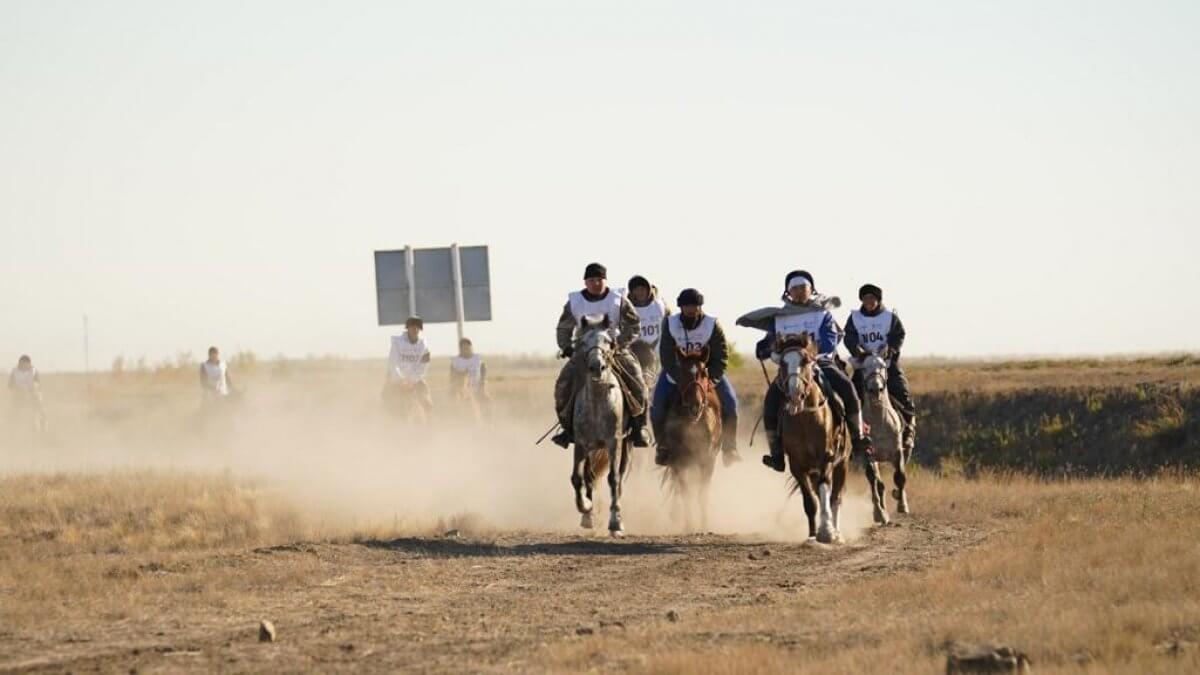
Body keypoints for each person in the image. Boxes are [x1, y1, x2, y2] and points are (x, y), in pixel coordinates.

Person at [753, 270, 873, 472]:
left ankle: (857, 438)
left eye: (803, 288)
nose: (799, 292)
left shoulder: (822, 313)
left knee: (848, 389)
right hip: (790, 368)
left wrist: (811, 356)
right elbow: (771, 341)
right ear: (788, 292)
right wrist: (764, 347)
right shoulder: (780, 317)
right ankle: (777, 454)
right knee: (770, 402)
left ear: (811, 290)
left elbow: (829, 340)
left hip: (820, 364)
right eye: (795, 289)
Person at [551, 262, 651, 449]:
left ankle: (640, 427)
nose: (596, 283)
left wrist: (620, 342)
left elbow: (634, 324)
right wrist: (567, 347)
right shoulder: (574, 302)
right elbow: (564, 327)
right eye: (592, 280)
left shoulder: (617, 299)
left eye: (599, 280)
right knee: (562, 385)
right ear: (585, 282)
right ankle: (567, 429)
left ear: (605, 281)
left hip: (614, 351)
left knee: (637, 379)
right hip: (583, 353)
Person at [651, 288, 742, 466]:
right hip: (676, 375)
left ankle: (730, 447)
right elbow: (667, 356)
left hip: (705, 374)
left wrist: (711, 379)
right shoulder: (670, 323)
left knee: (730, 402)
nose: (691, 309)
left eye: (695, 306)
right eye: (687, 306)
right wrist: (682, 379)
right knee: (657, 405)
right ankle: (662, 446)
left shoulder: (712, 325)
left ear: (700, 307)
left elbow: (722, 355)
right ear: (681, 307)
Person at [845, 283, 917, 449]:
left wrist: (890, 350)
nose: (869, 301)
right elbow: (849, 337)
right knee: (851, 395)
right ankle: (853, 436)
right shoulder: (854, 318)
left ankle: (909, 430)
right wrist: (857, 349)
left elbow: (899, 334)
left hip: (887, 364)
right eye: (865, 298)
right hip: (863, 364)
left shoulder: (889, 317)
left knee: (901, 391)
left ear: (878, 300)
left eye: (872, 298)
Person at [623, 275, 670, 378]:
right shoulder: (627, 308)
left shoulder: (660, 305)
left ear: (648, 289)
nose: (640, 292)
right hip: (635, 351)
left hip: (658, 350)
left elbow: (669, 324)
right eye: (636, 290)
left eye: (642, 289)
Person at [386, 316, 434, 413]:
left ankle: (430, 426)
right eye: (412, 327)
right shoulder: (397, 343)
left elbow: (424, 365)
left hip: (416, 381)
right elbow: (393, 363)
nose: (415, 329)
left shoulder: (424, 345)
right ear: (407, 328)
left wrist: (413, 380)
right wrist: (401, 380)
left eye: (417, 327)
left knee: (428, 404)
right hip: (398, 381)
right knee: (386, 400)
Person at [8, 354, 47, 430]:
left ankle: (43, 424)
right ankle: (11, 425)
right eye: (22, 363)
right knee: (13, 409)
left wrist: (34, 387)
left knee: (40, 407)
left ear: (29, 364)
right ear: (19, 363)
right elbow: (10, 384)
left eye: (26, 364)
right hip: (19, 393)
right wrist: (16, 388)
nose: (24, 366)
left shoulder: (34, 371)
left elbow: (38, 382)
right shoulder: (14, 371)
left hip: (32, 392)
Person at [450, 337, 489, 405]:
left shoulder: (477, 358)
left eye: (468, 348)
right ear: (461, 349)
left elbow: (483, 367)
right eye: (465, 348)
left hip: (478, 387)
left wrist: (482, 380)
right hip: (462, 389)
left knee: (487, 400)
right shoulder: (456, 361)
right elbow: (452, 375)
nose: (467, 350)